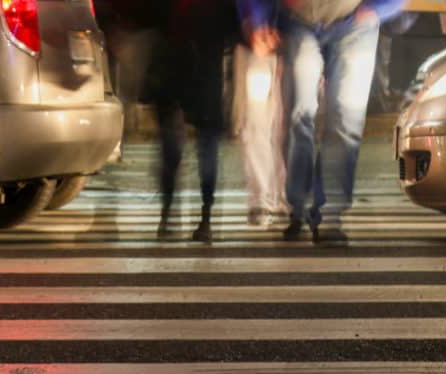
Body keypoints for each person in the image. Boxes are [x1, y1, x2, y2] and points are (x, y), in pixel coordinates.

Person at [240, 0, 404, 244]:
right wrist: (258, 18)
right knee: (299, 118)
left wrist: (379, 8)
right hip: (300, 20)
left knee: (344, 119)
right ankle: (299, 206)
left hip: (354, 20)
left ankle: (328, 215)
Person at [144, 0, 241, 243]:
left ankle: (168, 215)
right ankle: (204, 218)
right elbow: (232, 24)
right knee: (205, 146)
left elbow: (150, 15)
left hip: (173, 59)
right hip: (205, 60)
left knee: (172, 147)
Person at [232, 13, 287, 228]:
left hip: (287, 41)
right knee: (258, 126)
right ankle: (266, 199)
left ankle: (273, 198)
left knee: (283, 128)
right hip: (257, 45)